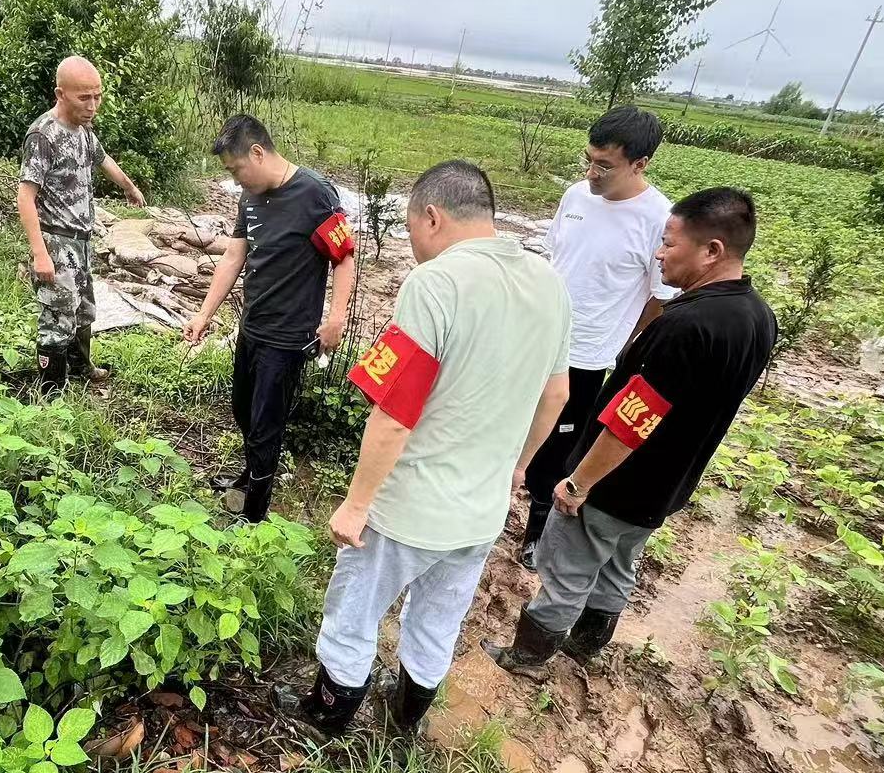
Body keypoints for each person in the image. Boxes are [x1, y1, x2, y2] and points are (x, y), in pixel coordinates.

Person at [294, 160, 573, 738]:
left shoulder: (435, 284)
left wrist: (357, 502)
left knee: (353, 611)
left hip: (409, 506)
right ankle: (404, 720)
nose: (416, 244)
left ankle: (327, 719)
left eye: (412, 228)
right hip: (481, 509)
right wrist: (518, 467)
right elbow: (557, 393)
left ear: (431, 216)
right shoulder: (549, 283)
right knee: (438, 620)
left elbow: (394, 413)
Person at [486, 186, 777, 677]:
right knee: (619, 565)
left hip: (617, 484)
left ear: (712, 251)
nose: (658, 254)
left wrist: (579, 483)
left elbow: (630, 422)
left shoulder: (685, 327)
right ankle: (587, 644)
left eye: (669, 243)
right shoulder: (757, 317)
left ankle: (531, 657)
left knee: (567, 569)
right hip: (669, 485)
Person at [520, 106, 675, 570]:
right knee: (515, 425)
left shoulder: (659, 218)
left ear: (640, 163)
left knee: (559, 447)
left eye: (605, 165)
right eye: (589, 159)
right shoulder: (575, 196)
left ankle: (537, 534)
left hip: (587, 355)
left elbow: (660, 296)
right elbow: (555, 257)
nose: (592, 172)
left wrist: (627, 346)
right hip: (537, 339)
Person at [186, 115, 356, 522]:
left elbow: (344, 255)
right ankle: (250, 477)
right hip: (253, 325)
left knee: (266, 422)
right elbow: (234, 256)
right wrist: (204, 314)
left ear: (258, 153)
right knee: (243, 409)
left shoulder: (315, 194)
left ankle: (255, 513)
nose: (236, 180)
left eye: (236, 169)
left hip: (288, 335)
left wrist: (336, 317)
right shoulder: (251, 198)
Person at [17, 56, 147, 391]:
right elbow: (25, 197)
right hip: (56, 242)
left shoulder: (83, 131)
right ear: (61, 94)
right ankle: (51, 392)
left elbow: (103, 160)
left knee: (83, 309)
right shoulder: (43, 136)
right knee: (57, 318)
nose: (92, 105)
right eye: (83, 97)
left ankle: (79, 368)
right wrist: (40, 253)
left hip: (82, 240)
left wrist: (129, 186)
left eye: (97, 96)